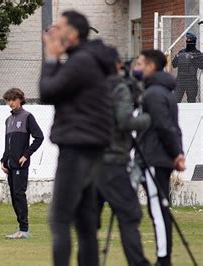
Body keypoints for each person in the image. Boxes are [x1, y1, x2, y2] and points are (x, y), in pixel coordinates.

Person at [40, 10, 113, 265]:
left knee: (60, 218)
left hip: (76, 148)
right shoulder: (89, 60)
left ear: (72, 34)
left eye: (58, 27)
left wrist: (51, 59)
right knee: (85, 221)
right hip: (92, 148)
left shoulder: (81, 61)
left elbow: (48, 91)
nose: (53, 32)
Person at [96, 47, 151, 266]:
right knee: (129, 215)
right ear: (117, 65)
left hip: (88, 161)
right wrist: (148, 118)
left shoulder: (89, 89)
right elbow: (125, 122)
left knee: (89, 221)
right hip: (113, 161)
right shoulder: (118, 88)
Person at [134, 49, 186, 266]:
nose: (137, 67)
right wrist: (177, 152)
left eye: (140, 63)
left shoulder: (154, 93)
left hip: (154, 158)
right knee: (158, 208)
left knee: (158, 209)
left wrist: (176, 154)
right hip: (157, 157)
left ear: (151, 66)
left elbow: (164, 126)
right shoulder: (163, 91)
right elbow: (174, 127)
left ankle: (163, 259)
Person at [0, 88, 44, 240]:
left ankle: (24, 229)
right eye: (8, 100)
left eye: (13, 99)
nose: (10, 103)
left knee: (19, 195)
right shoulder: (8, 120)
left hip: (21, 165)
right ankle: (20, 228)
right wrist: (3, 160)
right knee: (13, 196)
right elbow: (8, 144)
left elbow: (39, 137)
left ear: (20, 99)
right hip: (10, 165)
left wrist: (26, 154)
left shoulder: (27, 117)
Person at [171, 32, 203, 103]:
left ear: (194, 42)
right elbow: (174, 65)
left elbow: (202, 66)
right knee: (176, 100)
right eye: (188, 41)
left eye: (190, 41)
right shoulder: (181, 52)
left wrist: (193, 58)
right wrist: (176, 57)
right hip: (180, 80)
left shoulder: (198, 53)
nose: (189, 43)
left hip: (191, 81)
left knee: (191, 101)